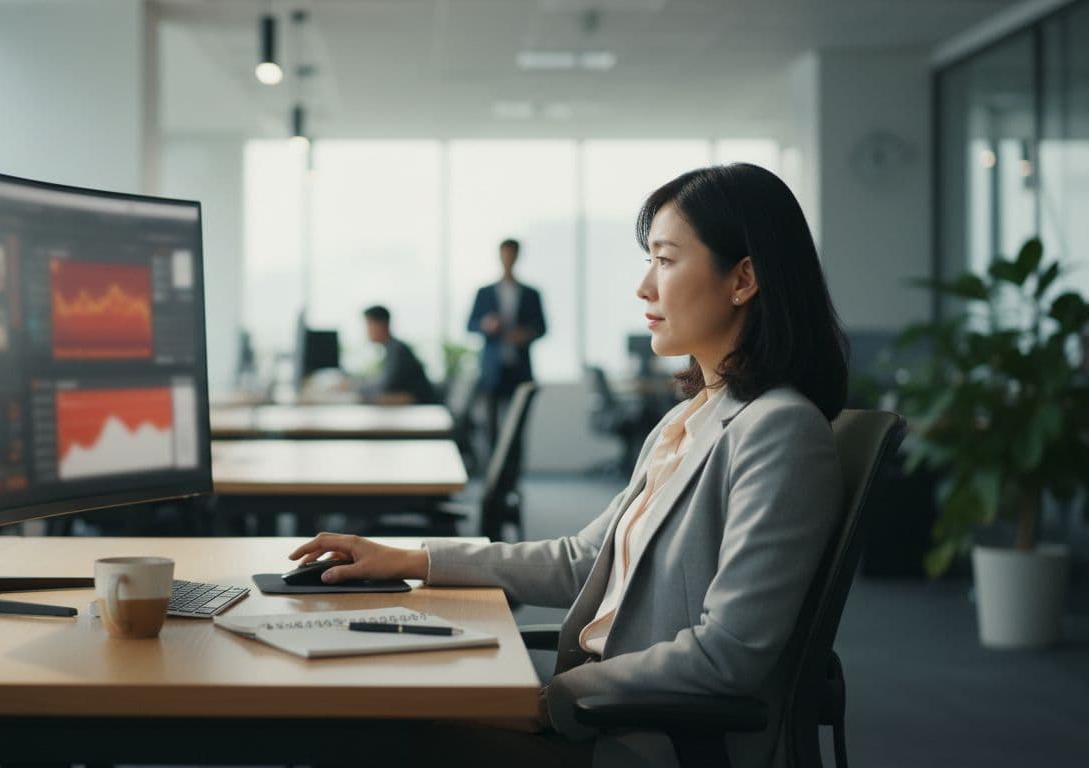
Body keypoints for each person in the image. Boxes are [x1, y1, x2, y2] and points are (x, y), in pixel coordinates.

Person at [287, 163, 849, 768]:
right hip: (599, 714)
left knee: (358, 729)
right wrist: (411, 560)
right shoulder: (688, 418)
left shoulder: (778, 431)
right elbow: (583, 559)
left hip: (640, 737)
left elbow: (726, 655)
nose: (644, 288)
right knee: (359, 707)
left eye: (665, 260)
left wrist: (545, 702)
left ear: (743, 279)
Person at [467, 238, 547, 463]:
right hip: (492, 370)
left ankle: (513, 476)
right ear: (500, 256)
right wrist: (486, 325)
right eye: (505, 254)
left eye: (512, 254)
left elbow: (542, 328)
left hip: (519, 369)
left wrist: (526, 334)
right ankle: (492, 474)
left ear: (518, 256)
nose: (508, 259)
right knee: (491, 428)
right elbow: (470, 325)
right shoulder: (484, 293)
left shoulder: (531, 294)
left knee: (517, 428)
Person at [356, 305, 437, 405]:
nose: (366, 331)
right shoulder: (393, 348)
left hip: (423, 407)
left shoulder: (397, 350)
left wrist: (355, 387)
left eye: (368, 325)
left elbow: (385, 385)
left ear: (381, 325)